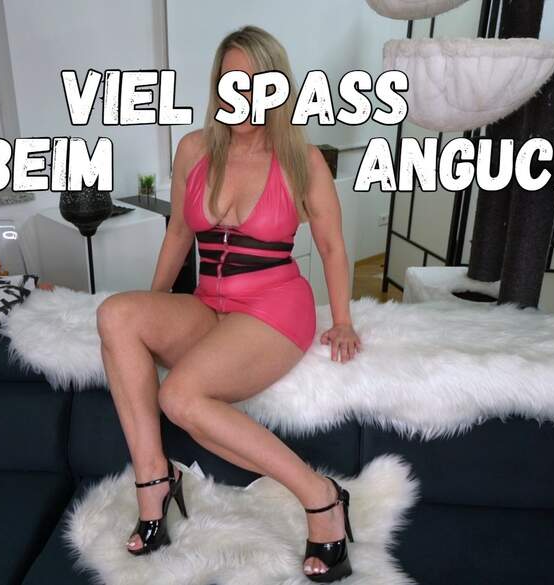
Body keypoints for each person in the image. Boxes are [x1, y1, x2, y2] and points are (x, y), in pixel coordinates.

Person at [96, 25, 361, 582]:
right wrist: (154, 307)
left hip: (274, 306)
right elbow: (178, 234)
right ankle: (154, 478)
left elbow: (333, 246)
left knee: (179, 396)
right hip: (207, 304)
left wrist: (342, 320)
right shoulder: (195, 149)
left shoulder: (302, 159)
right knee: (117, 314)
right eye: (230, 81)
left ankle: (321, 497)